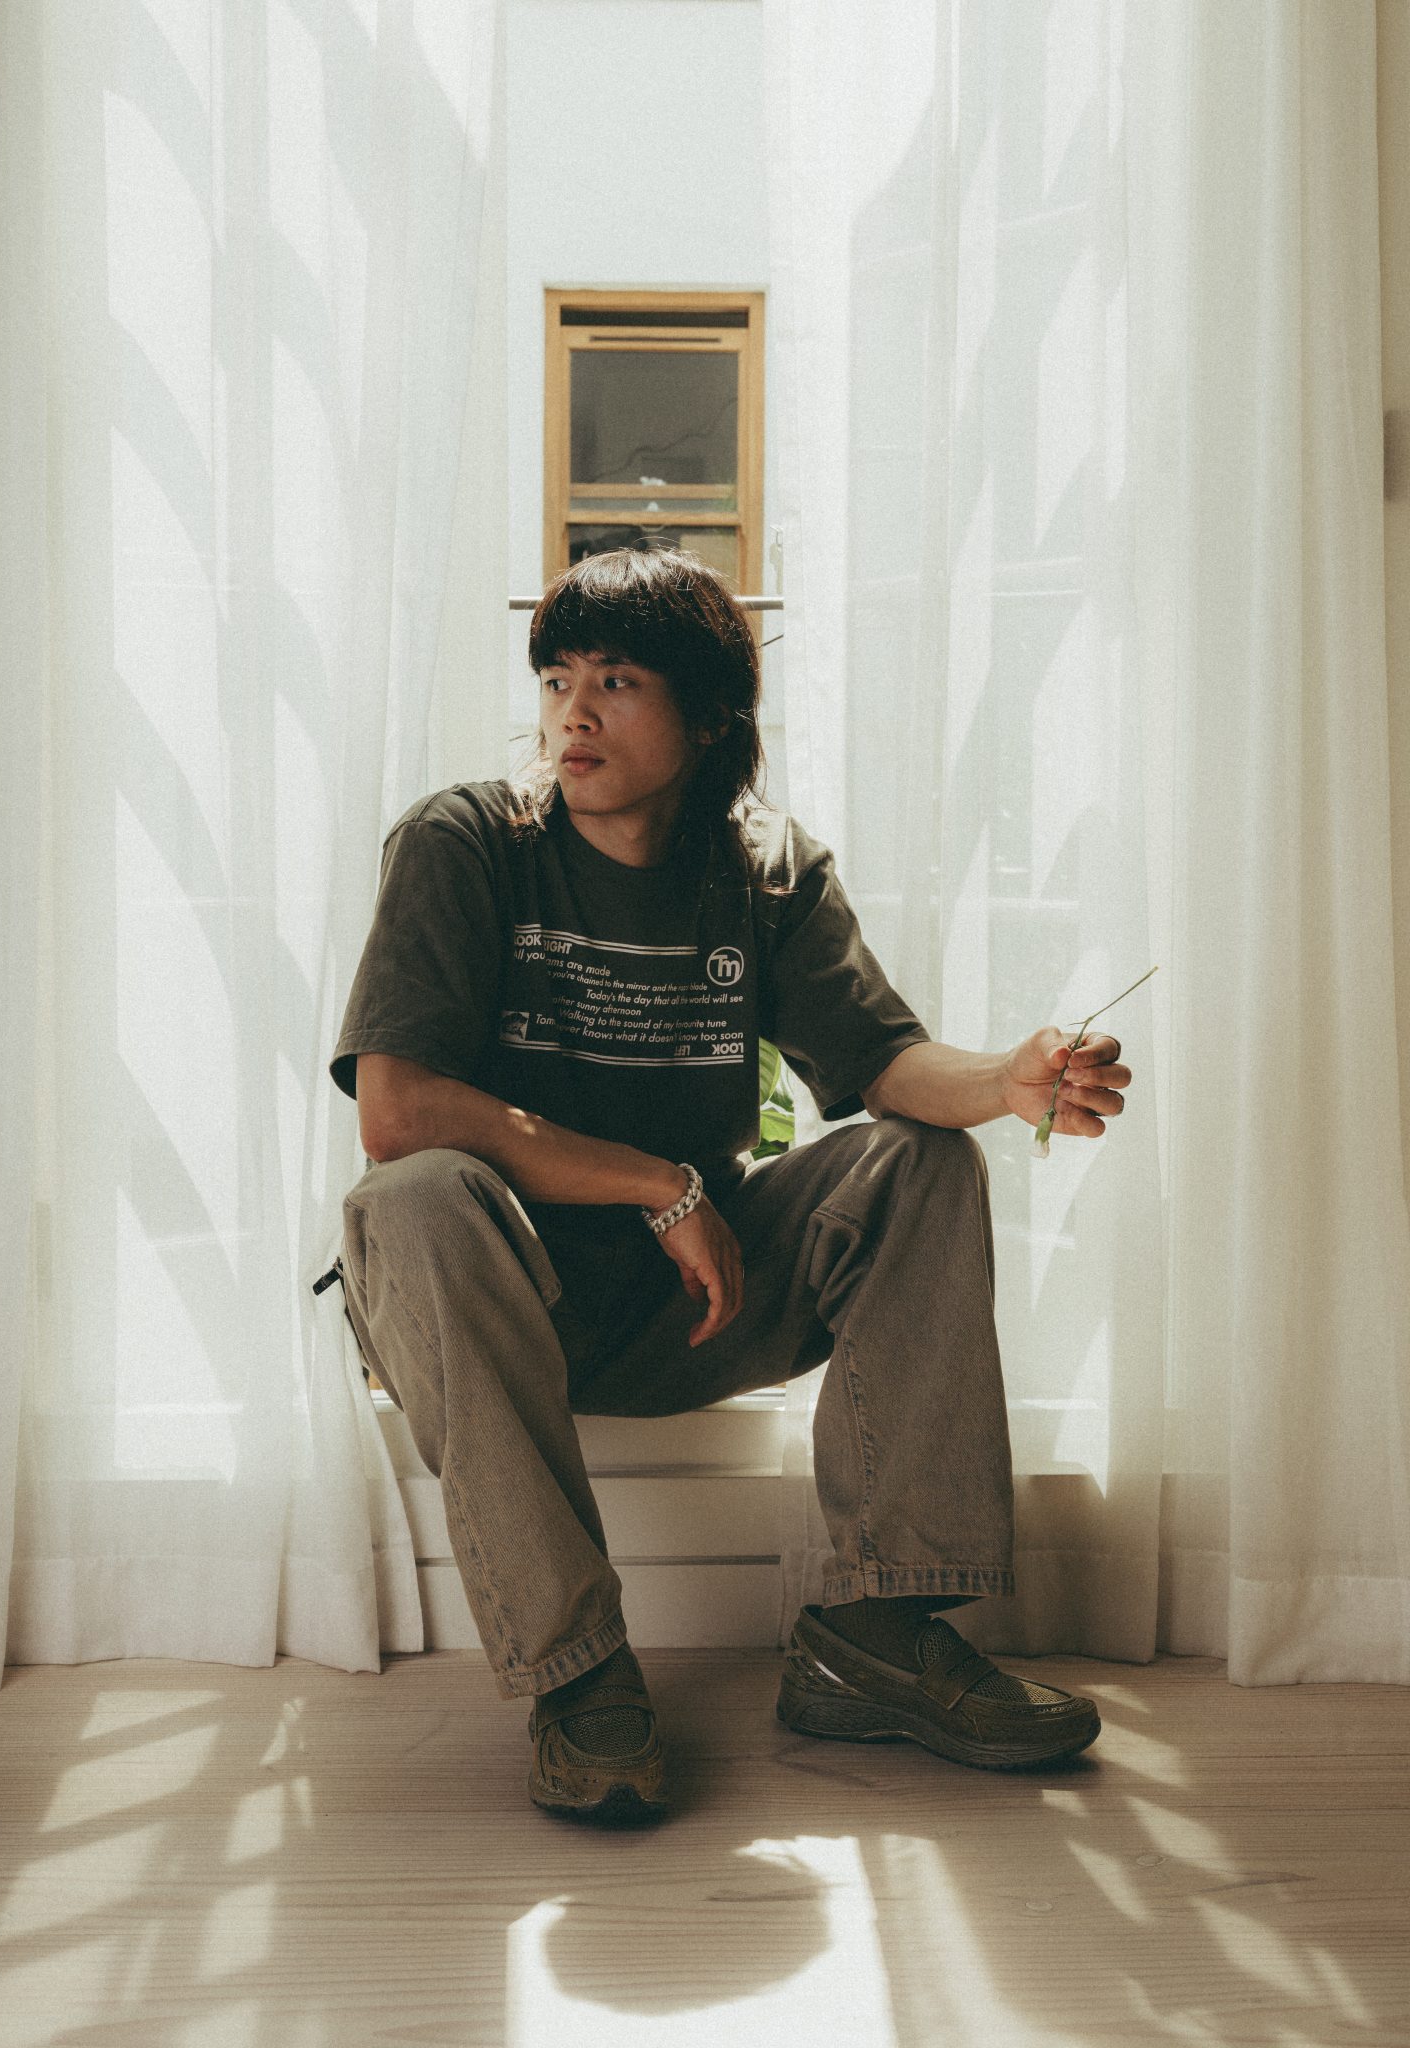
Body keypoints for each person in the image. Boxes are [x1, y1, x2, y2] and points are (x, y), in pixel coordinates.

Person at [327, 547, 1133, 1825]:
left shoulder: (766, 870)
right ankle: (582, 1676)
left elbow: (883, 1065)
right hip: (494, 1303)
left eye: (616, 680)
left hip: (695, 1301)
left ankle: (876, 1634)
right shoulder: (466, 841)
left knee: (921, 1159)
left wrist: (1008, 1078)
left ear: (708, 717)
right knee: (413, 1195)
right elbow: (398, 1109)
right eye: (556, 678)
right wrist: (659, 1181)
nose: (573, 713)